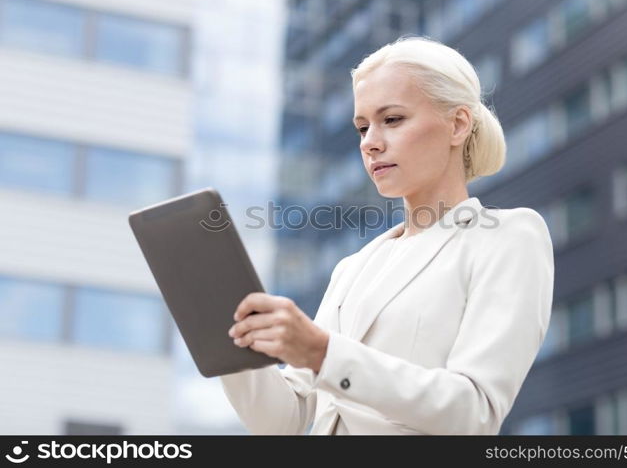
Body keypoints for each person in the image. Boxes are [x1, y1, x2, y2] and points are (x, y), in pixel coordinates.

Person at [220, 35, 555, 435]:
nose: (370, 143)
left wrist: (322, 352)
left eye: (392, 120)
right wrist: (222, 331)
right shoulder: (353, 268)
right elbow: (285, 419)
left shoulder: (507, 237)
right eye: (362, 127)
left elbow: (474, 411)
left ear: (458, 124)